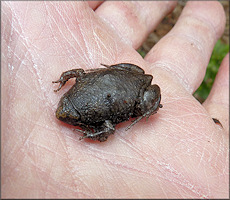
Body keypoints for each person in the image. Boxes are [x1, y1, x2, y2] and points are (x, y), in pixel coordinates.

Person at [2, 1, 229, 198]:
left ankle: (144, 105)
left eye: (69, 115)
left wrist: (138, 112)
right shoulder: (81, 94)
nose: (60, 115)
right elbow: (82, 81)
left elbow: (79, 77)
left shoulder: (88, 92)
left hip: (130, 84)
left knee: (117, 115)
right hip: (125, 81)